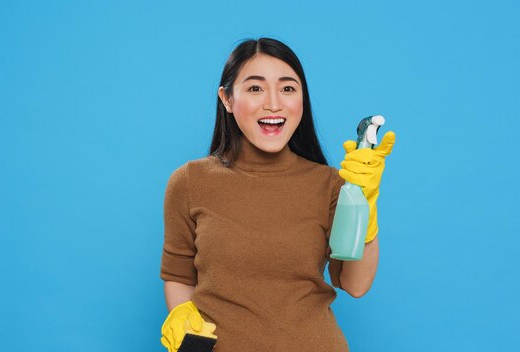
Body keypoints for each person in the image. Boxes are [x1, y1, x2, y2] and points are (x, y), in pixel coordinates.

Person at [160, 38, 395, 352]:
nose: (273, 103)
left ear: (302, 99)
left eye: (288, 88)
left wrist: (365, 204)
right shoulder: (189, 182)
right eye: (255, 88)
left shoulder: (331, 185)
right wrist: (183, 322)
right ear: (227, 99)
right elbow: (179, 276)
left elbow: (355, 284)